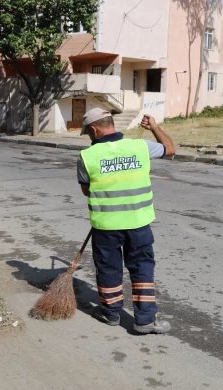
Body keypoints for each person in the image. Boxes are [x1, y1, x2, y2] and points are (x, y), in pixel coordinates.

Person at [76, 108, 176, 334]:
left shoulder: (86, 156)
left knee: (109, 269)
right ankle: (145, 321)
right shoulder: (140, 146)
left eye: (89, 133)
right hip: (139, 223)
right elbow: (170, 149)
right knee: (142, 269)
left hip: (106, 226)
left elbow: (86, 191)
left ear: (94, 129)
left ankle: (111, 314)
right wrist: (154, 127)